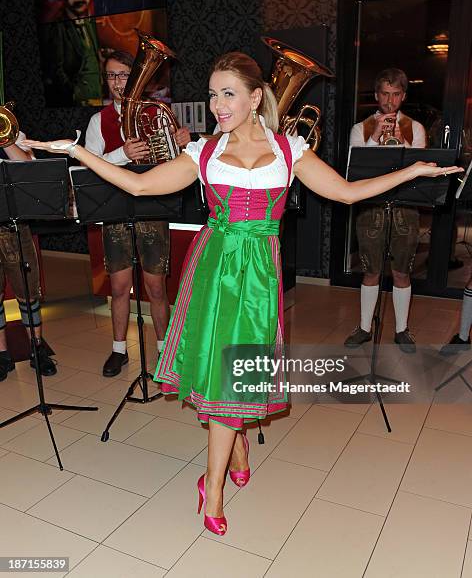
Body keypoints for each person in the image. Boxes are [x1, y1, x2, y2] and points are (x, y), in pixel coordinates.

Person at [24, 52, 460, 536]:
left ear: (256, 98)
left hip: (258, 275)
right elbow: (139, 185)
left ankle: (234, 447)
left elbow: (347, 193)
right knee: (222, 375)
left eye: (227, 93)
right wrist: (76, 151)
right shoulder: (203, 154)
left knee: (238, 373)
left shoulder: (289, 149)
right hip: (214, 270)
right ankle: (211, 493)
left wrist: (413, 172)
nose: (216, 105)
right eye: (212, 94)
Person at [85, 50, 191, 377]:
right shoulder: (97, 121)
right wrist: (121, 153)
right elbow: (88, 167)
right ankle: (119, 349)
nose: (117, 82)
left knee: (156, 287)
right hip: (115, 211)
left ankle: (165, 350)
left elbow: (175, 164)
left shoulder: (157, 112)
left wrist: (184, 143)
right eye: (112, 76)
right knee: (119, 287)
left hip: (151, 209)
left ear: (135, 78)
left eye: (123, 75)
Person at [345, 68, 427, 353]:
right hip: (372, 206)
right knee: (371, 271)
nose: (390, 101)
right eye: (385, 94)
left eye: (395, 94)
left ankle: (402, 330)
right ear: (377, 95)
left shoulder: (415, 128)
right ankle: (365, 328)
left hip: (405, 206)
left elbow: (417, 170)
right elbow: (357, 168)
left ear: (403, 96)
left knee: (402, 272)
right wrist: (376, 135)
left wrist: (398, 137)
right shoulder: (360, 128)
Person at [0, 133, 56, 382]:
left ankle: (37, 348)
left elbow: (28, 168)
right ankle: (2, 354)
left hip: (14, 225)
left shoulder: (11, 130)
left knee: (28, 289)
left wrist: (6, 140)